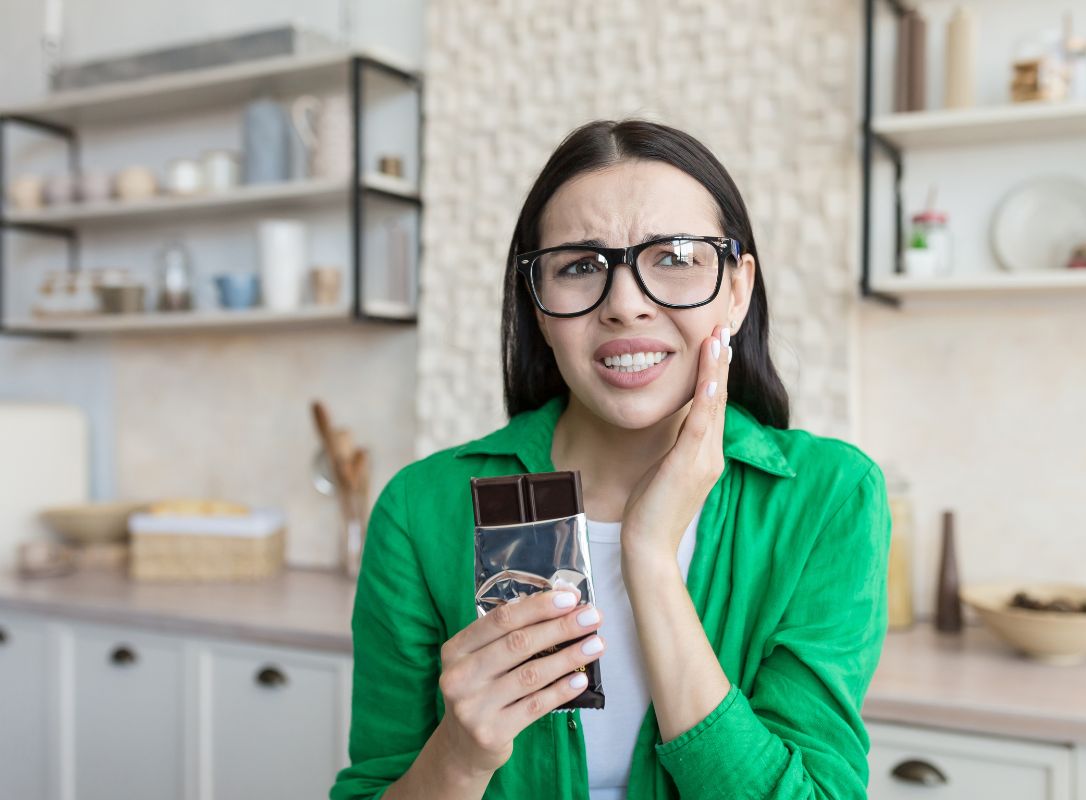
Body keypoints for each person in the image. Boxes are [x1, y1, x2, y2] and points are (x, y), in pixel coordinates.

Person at [330, 119, 891, 800]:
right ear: (538, 306)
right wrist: (459, 755)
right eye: (578, 266)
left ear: (738, 290)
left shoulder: (828, 497)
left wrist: (649, 557)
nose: (625, 306)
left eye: (676, 257)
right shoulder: (423, 509)